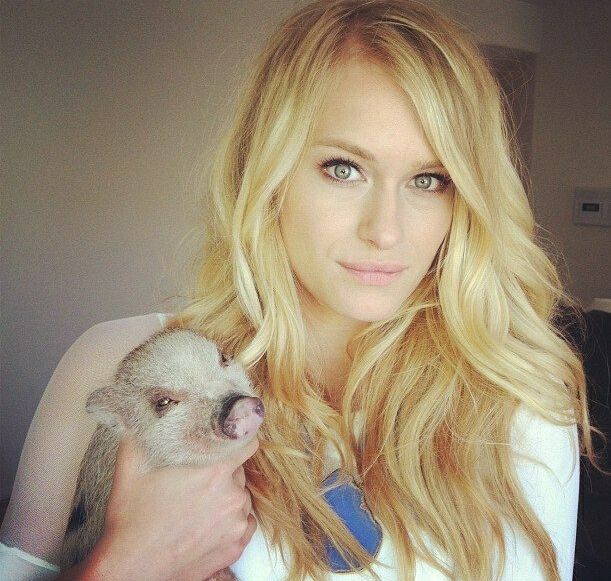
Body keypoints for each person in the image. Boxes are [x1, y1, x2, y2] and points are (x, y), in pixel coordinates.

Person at [0, 0, 605, 580]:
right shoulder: (123, 367)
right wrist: (126, 567)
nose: (386, 231)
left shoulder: (520, 401)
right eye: (344, 169)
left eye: (429, 179)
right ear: (268, 170)